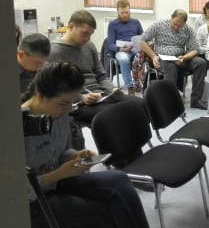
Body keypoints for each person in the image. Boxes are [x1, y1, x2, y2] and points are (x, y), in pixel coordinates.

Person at [22, 61, 150, 228]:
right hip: (30, 201)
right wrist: (58, 174)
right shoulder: (17, 128)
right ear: (40, 96)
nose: (68, 110)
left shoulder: (59, 113)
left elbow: (61, 152)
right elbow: (17, 191)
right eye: (63, 104)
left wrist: (75, 155)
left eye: (72, 102)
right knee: (102, 212)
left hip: (57, 182)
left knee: (119, 181)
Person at [48, 10, 125, 126]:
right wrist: (81, 97)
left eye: (90, 34)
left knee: (137, 104)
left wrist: (112, 89)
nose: (88, 39)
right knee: (115, 115)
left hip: (100, 95)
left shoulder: (89, 46)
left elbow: (101, 75)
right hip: (77, 103)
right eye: (85, 33)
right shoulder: (54, 52)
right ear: (71, 27)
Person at [140, 9, 208, 110]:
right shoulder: (159, 25)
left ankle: (196, 100)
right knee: (171, 67)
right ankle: (170, 103)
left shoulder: (188, 30)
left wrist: (185, 57)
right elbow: (142, 41)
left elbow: (195, 50)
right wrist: (153, 56)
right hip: (162, 58)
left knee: (201, 63)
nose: (176, 27)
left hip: (180, 57)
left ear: (184, 23)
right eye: (175, 24)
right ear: (171, 17)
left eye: (180, 26)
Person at [106, 0, 143, 94]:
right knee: (123, 59)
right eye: (122, 13)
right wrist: (120, 49)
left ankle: (142, 83)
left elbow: (143, 38)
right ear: (117, 11)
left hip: (135, 48)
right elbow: (110, 44)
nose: (125, 15)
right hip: (121, 50)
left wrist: (137, 44)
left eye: (127, 12)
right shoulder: (113, 24)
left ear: (129, 10)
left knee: (144, 56)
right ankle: (130, 87)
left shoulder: (136, 22)